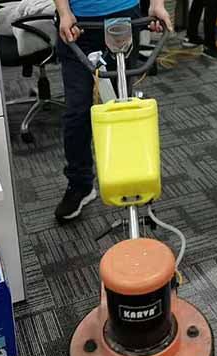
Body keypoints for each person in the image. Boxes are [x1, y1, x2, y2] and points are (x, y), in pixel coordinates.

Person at [53, 0, 172, 221]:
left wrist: (156, 4)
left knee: (122, 107)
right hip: (79, 24)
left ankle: (131, 180)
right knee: (77, 113)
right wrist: (64, 12)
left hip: (124, 17)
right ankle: (80, 184)